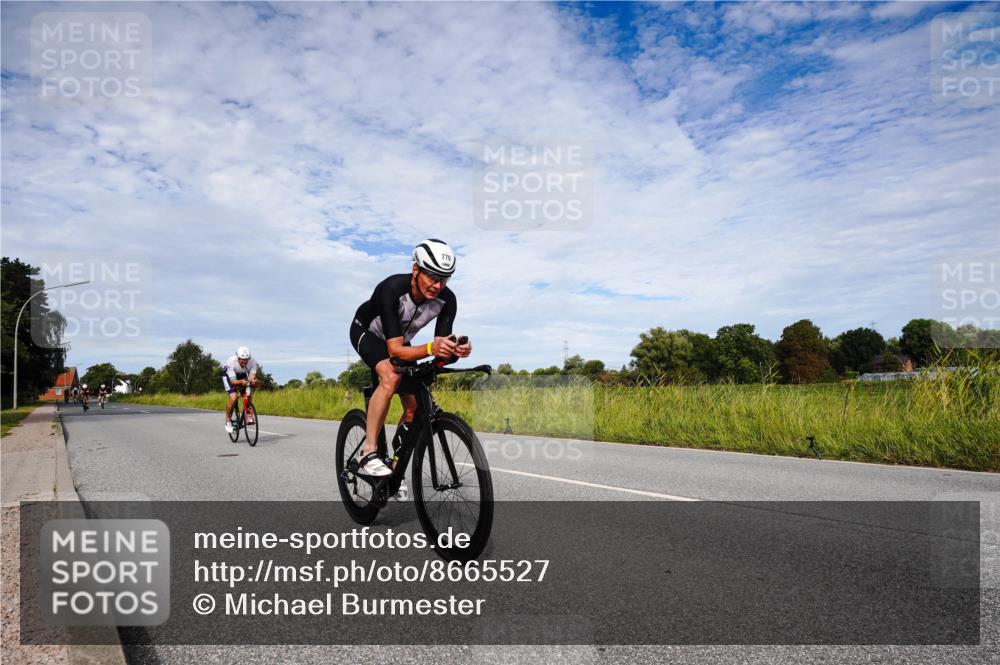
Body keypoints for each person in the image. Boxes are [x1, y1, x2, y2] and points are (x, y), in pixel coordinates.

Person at [349, 239, 472, 494]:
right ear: (416, 269)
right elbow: (395, 351)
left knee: (415, 407)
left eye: (444, 279)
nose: (438, 286)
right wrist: (431, 348)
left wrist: (455, 351)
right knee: (390, 377)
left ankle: (394, 467)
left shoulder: (447, 300)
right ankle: (368, 451)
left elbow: (439, 349)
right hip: (367, 333)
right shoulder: (391, 288)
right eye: (433, 277)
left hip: (401, 341)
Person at [222, 346, 259, 433]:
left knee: (249, 390)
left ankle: (248, 411)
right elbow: (233, 381)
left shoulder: (253, 362)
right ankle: (228, 419)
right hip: (229, 376)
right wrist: (241, 382)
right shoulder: (231, 362)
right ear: (238, 358)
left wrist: (252, 381)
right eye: (242, 360)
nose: (245, 361)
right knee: (233, 397)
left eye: (246, 359)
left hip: (242, 374)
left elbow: (251, 377)